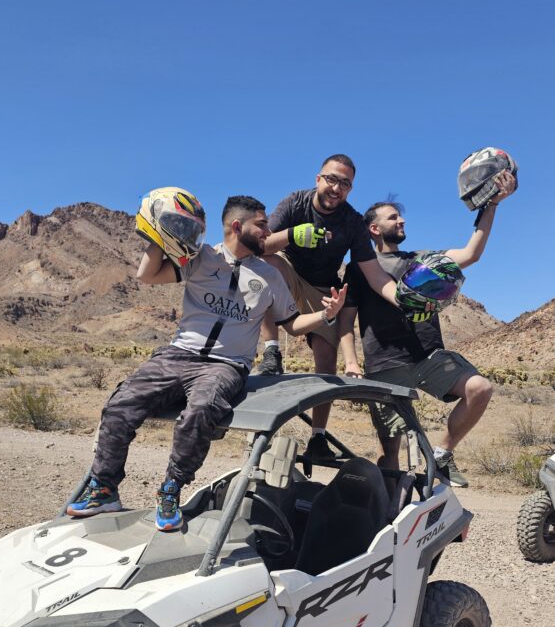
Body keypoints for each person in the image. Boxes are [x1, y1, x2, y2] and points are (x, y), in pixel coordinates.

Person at [68, 194, 348, 530]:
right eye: (261, 226)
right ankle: (104, 488)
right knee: (119, 405)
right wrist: (158, 233)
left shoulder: (270, 274)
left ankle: (171, 489)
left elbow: (291, 323)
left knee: (202, 411)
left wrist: (325, 315)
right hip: (178, 354)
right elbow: (148, 275)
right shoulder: (200, 258)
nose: (266, 233)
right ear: (236, 226)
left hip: (226, 365)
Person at [338, 170, 516, 486]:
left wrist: (492, 206)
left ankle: (443, 453)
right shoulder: (359, 269)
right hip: (384, 367)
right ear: (375, 228)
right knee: (391, 450)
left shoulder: (423, 260)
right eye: (394, 218)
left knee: (480, 389)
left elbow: (471, 254)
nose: (402, 221)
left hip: (428, 358)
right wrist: (351, 362)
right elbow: (345, 321)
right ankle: (387, 510)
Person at [256, 154, 400, 460]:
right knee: (263, 265)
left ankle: (318, 438)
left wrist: (402, 298)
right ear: (319, 179)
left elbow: (374, 274)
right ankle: (271, 350)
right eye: (332, 179)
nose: (337, 187)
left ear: (350, 189)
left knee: (326, 356)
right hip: (287, 270)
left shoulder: (351, 221)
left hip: (322, 288)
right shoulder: (295, 203)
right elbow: (259, 245)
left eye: (345, 183)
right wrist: (292, 235)